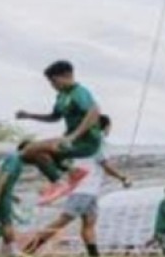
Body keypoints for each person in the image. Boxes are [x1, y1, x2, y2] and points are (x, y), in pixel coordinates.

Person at [22, 115, 132, 257]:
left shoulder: (83, 142)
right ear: (105, 127)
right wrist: (122, 177)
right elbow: (104, 165)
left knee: (89, 223)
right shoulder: (99, 142)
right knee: (63, 220)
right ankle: (28, 250)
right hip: (84, 189)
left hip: (90, 190)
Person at [15, 60, 103, 204]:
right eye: (50, 82)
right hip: (71, 141)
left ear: (67, 75)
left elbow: (95, 111)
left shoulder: (79, 92)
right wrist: (29, 115)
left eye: (54, 81)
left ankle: (60, 184)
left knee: (28, 149)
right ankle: (72, 172)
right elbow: (54, 117)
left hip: (86, 142)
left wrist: (74, 136)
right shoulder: (62, 95)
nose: (52, 85)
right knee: (36, 155)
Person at [0, 142, 28, 257]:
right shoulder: (15, 159)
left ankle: (10, 251)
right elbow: (4, 176)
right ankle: (12, 251)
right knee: (5, 222)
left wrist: (12, 195)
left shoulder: (12, 158)